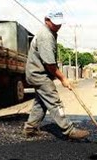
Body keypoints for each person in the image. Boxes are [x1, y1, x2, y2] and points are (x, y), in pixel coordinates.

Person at [23, 10, 89, 139]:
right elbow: (50, 64)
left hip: (37, 73)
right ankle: (69, 130)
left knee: (41, 102)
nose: (58, 26)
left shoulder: (50, 33)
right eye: (55, 23)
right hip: (39, 74)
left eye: (59, 23)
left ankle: (30, 128)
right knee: (54, 101)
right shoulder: (46, 36)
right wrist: (63, 78)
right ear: (46, 20)